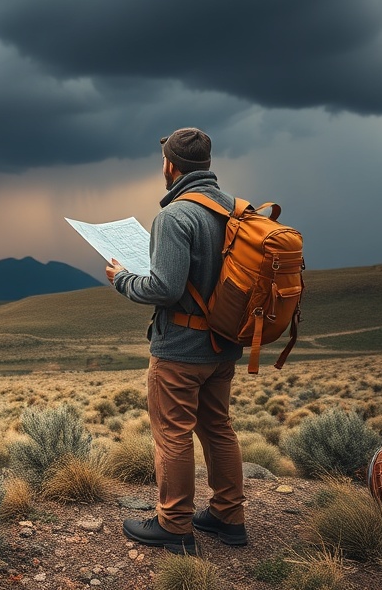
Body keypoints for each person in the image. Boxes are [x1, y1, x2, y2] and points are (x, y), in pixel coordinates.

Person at [105, 127, 248, 556]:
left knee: (172, 434)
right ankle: (229, 517)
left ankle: (174, 524)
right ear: (206, 163)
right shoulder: (236, 210)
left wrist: (122, 279)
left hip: (180, 351)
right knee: (218, 428)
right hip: (223, 345)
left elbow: (165, 289)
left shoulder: (175, 216)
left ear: (171, 165)